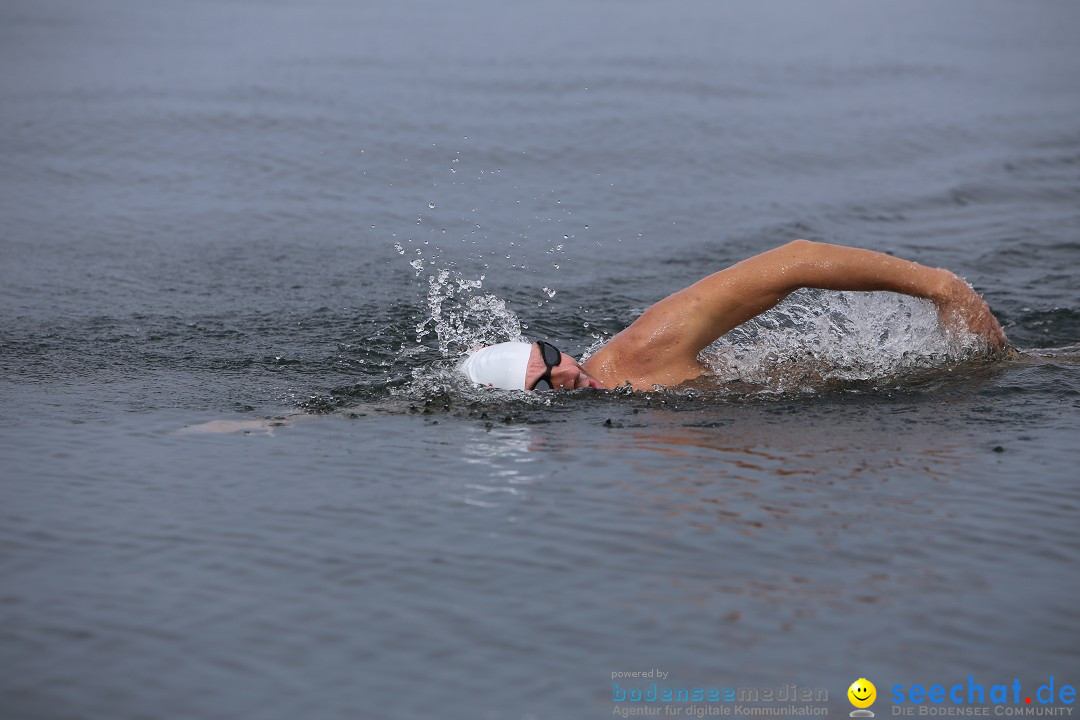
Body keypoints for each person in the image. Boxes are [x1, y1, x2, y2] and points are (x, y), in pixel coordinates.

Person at [459, 239, 1008, 392]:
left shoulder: (644, 350)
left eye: (551, 357)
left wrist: (942, 287)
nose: (567, 374)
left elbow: (794, 260)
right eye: (545, 387)